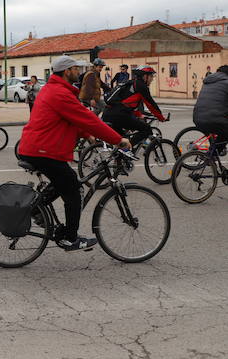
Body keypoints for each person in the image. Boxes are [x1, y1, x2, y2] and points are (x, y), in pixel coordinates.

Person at [19, 56, 129, 252]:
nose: (78, 72)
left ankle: (36, 210)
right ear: (66, 71)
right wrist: (118, 139)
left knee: (64, 182)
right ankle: (70, 238)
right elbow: (88, 119)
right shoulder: (60, 93)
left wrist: (87, 135)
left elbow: (70, 120)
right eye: (75, 69)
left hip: (37, 147)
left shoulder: (54, 90)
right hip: (43, 150)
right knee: (73, 189)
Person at [101, 65, 166, 147]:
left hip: (109, 113)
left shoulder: (132, 83)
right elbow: (150, 104)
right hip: (119, 115)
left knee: (122, 139)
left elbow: (129, 104)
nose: (152, 79)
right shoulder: (141, 86)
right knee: (146, 129)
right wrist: (161, 117)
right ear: (145, 76)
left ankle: (120, 157)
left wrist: (138, 115)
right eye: (151, 76)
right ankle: (127, 149)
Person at [192, 65, 228, 155]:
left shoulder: (208, 82)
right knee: (225, 134)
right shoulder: (226, 83)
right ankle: (211, 156)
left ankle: (212, 155)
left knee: (218, 131)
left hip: (197, 118)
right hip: (213, 119)